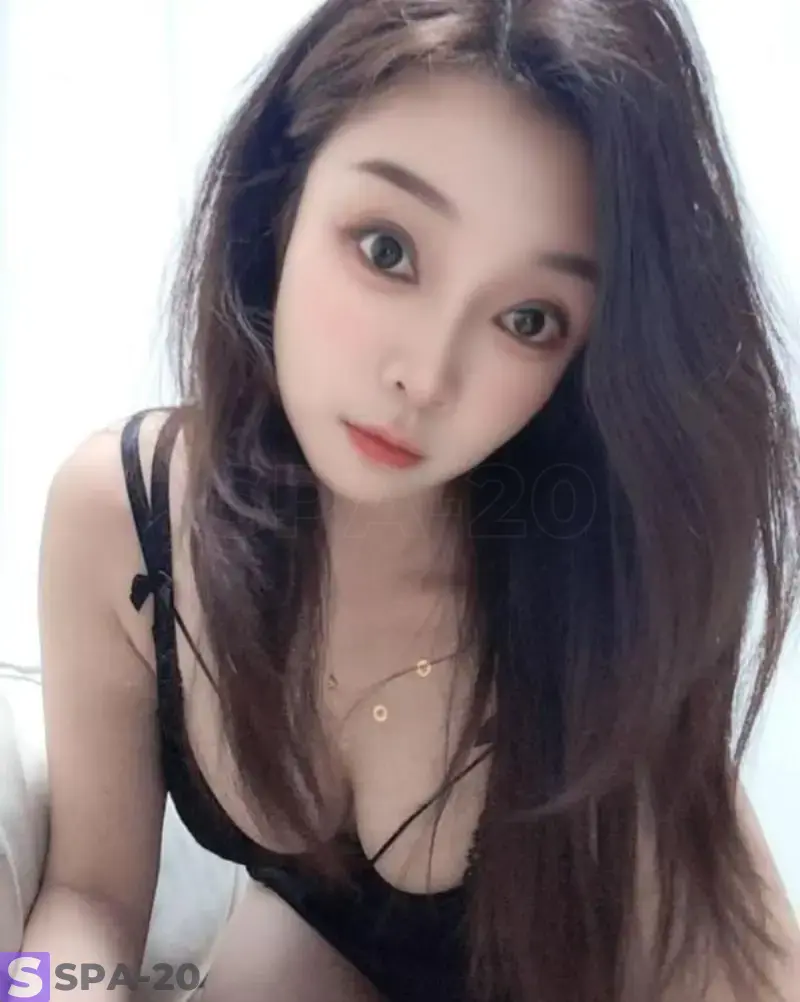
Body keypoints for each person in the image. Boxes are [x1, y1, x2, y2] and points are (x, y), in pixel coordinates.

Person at [22, 0, 800, 999]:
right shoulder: (123, 519)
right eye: (387, 250)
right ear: (281, 193)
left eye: (528, 319)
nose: (425, 378)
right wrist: (36, 989)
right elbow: (90, 894)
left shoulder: (589, 607)